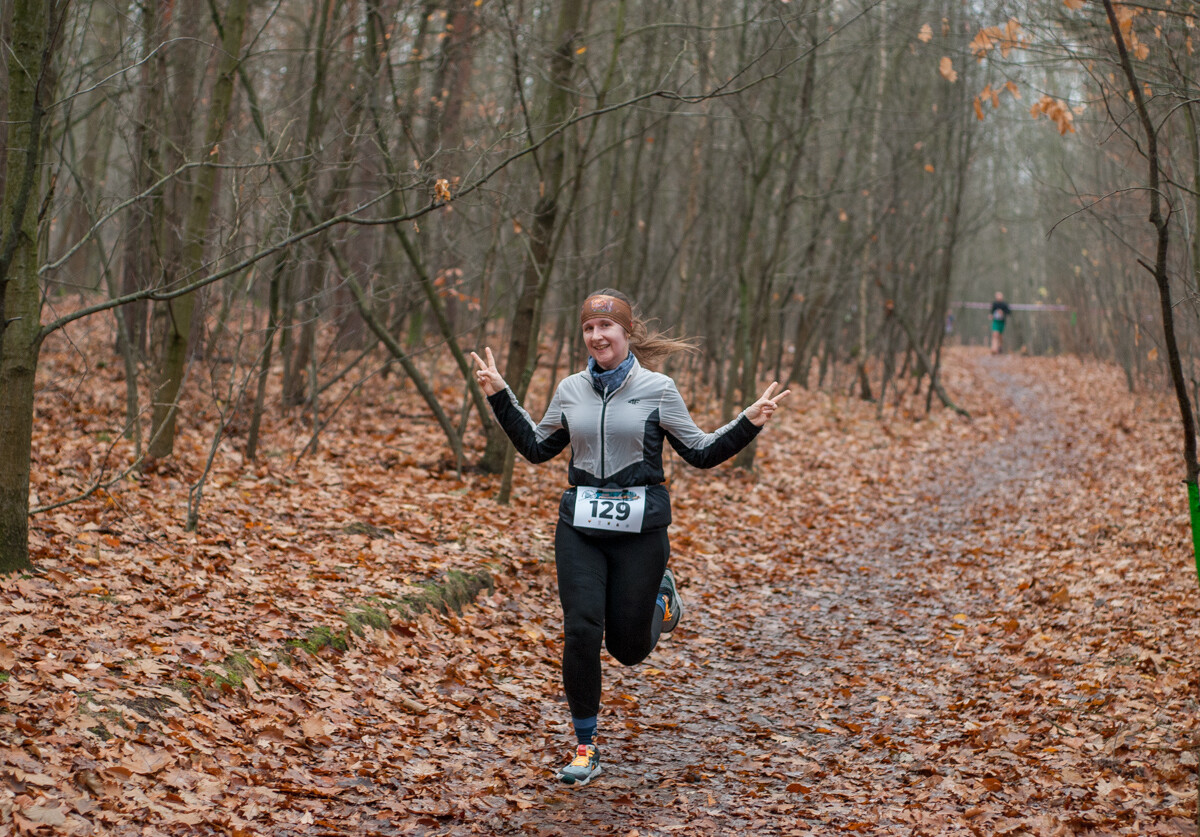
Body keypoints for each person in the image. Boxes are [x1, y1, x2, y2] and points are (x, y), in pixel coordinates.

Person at [470, 289, 789, 787]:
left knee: (628, 649)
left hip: (641, 531)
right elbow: (535, 447)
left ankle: (662, 599)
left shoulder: (658, 389)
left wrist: (748, 422)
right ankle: (585, 746)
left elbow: (700, 452)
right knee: (581, 629)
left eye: (606, 327)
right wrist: (499, 394)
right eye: (589, 329)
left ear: (626, 332)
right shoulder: (570, 389)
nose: (597, 336)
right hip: (580, 527)